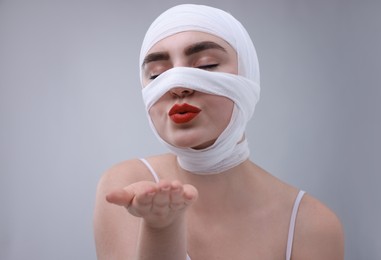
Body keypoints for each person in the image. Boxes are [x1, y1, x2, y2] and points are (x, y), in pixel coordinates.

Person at [93, 4, 344, 260]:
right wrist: (160, 230)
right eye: (156, 75)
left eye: (206, 65)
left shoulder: (313, 227)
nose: (178, 85)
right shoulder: (126, 190)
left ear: (248, 76)